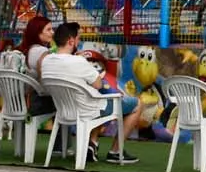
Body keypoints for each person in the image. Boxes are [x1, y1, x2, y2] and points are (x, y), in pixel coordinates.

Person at [39, 22, 142, 164]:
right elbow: (98, 84)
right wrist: (86, 65)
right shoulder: (79, 62)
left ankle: (92, 144)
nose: (79, 41)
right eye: (78, 38)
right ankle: (116, 152)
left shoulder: (46, 61)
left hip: (63, 111)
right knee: (136, 105)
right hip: (88, 111)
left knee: (99, 100)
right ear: (71, 41)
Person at [18, 15, 56, 117]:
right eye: (48, 29)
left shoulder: (25, 49)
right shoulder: (41, 51)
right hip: (38, 101)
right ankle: (63, 133)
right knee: (66, 102)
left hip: (19, 99)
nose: (52, 32)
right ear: (37, 32)